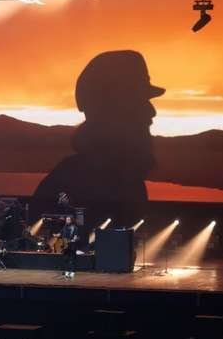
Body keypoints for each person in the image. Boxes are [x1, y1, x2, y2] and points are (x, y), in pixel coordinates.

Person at [33, 50, 165, 221]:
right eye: (137, 101)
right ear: (110, 109)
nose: (151, 111)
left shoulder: (125, 177)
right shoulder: (86, 180)